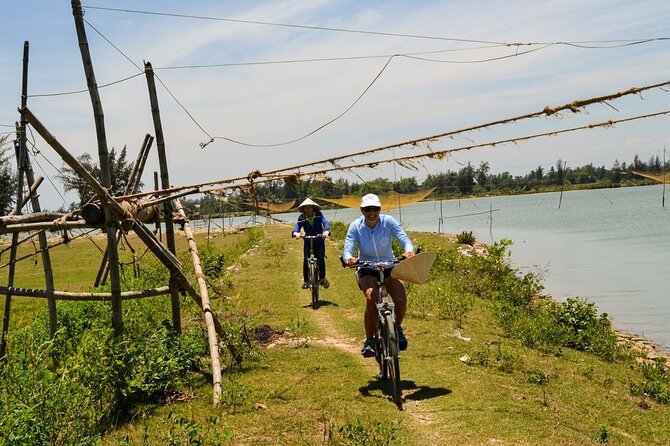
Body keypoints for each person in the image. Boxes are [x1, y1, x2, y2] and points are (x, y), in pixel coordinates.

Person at [342, 193, 415, 357]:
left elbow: (403, 237)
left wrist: (408, 250)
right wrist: (349, 258)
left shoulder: (388, 222)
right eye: (367, 209)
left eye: (375, 208)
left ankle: (396, 329)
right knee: (371, 297)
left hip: (389, 264)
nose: (371, 212)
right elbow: (348, 246)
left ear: (380, 209)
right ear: (362, 210)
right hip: (367, 266)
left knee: (401, 298)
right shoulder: (355, 226)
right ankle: (369, 341)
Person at [292, 198, 331, 289]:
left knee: (321, 259)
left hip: (319, 240)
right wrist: (296, 233)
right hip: (308, 241)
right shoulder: (301, 217)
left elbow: (325, 223)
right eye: (306, 207)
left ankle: (322, 278)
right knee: (306, 260)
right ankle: (306, 281)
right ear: (304, 209)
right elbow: (297, 226)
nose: (308, 209)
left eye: (310, 207)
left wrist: (327, 231)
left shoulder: (318, 215)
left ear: (313, 208)